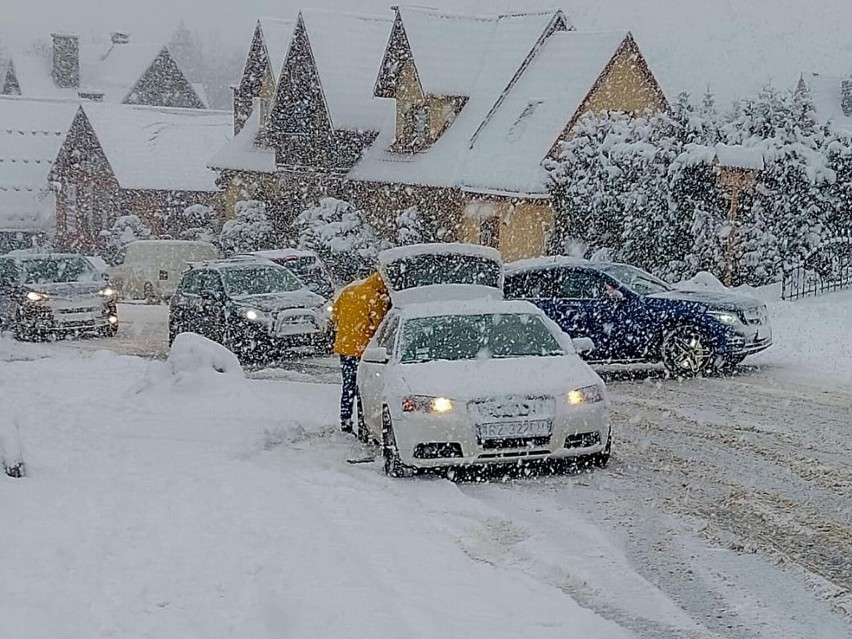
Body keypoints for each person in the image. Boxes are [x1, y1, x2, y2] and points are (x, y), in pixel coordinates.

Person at [330, 272, 390, 433]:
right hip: (364, 350)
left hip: (345, 347)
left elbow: (335, 316)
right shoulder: (377, 298)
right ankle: (365, 423)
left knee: (348, 385)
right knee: (364, 387)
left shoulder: (350, 291)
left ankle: (346, 420)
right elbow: (380, 327)